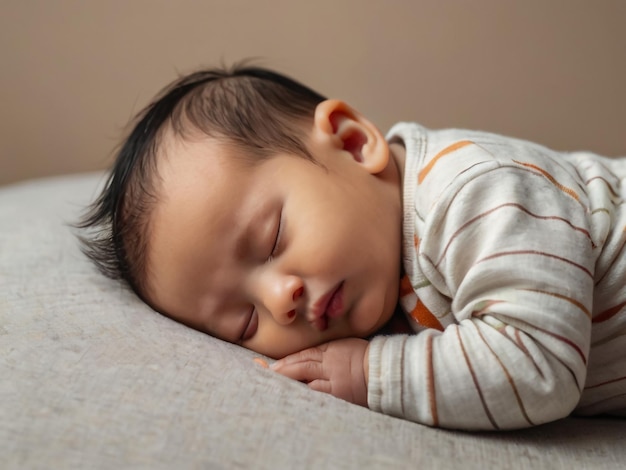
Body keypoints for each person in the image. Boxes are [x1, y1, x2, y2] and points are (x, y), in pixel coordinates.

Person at [77, 64, 626, 430]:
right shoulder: (379, 272)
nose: (279, 299)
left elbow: (539, 367)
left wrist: (375, 374)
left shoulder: (472, 194)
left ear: (353, 143)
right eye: (245, 321)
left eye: (272, 240)